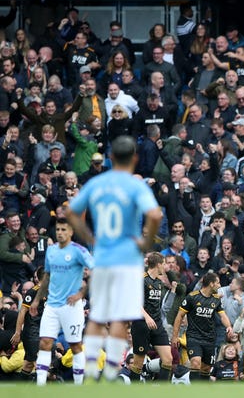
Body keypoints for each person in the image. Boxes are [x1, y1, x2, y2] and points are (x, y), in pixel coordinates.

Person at [67, 135, 163, 382]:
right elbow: (154, 215)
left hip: (103, 257)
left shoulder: (96, 183)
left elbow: (71, 212)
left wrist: (90, 237)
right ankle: (110, 370)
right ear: (135, 158)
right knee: (121, 316)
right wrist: (146, 242)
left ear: (110, 158)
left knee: (99, 314)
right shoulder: (134, 185)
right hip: (128, 259)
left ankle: (88, 369)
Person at [30, 218, 93, 385]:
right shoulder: (51, 251)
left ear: (71, 232)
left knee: (75, 345)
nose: (60, 233)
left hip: (71, 307)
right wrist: (36, 300)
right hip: (51, 305)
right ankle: (40, 386)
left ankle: (79, 385)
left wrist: (81, 294)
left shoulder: (79, 251)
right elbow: (47, 277)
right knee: (44, 343)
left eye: (64, 230)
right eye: (58, 229)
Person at [172, 272, 233, 382]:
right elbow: (179, 316)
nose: (219, 286)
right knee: (195, 362)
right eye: (218, 283)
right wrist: (175, 336)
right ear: (211, 284)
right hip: (194, 337)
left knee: (206, 368)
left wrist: (229, 326)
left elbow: (223, 315)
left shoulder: (216, 299)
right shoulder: (192, 297)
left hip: (209, 339)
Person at [128, 252, 173, 382]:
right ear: (158, 264)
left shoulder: (159, 282)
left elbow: (175, 283)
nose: (165, 266)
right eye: (164, 264)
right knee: (138, 363)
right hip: (141, 324)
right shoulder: (141, 279)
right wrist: (147, 317)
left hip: (157, 323)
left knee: (168, 359)